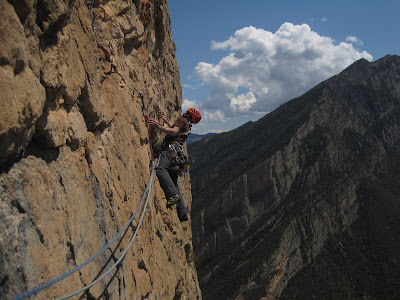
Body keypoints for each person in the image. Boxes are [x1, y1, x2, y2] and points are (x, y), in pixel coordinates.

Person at [149, 108, 201, 222]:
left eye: (187, 112)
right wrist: (167, 122)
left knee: (160, 169)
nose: (184, 112)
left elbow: (173, 132)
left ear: (188, 114)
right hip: (177, 155)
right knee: (174, 183)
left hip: (170, 151)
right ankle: (182, 212)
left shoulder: (182, 119)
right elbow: (176, 130)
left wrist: (158, 126)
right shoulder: (187, 125)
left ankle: (172, 194)